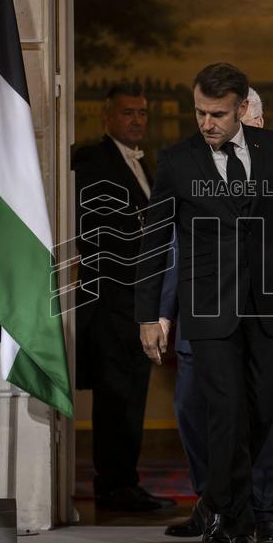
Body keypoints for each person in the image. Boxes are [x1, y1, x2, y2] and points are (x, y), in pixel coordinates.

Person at [135, 63, 273, 543]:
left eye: (218, 113)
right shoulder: (176, 161)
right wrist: (150, 313)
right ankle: (238, 529)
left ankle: (213, 498)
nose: (207, 123)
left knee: (264, 406)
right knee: (227, 414)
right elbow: (153, 243)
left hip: (267, 306)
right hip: (208, 310)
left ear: (240, 109)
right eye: (200, 112)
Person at [72, 82, 175, 512]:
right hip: (110, 298)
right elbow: (91, 225)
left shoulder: (144, 164)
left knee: (132, 396)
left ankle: (122, 484)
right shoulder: (90, 159)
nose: (137, 120)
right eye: (128, 112)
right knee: (115, 399)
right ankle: (114, 488)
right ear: (107, 117)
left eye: (143, 113)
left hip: (138, 301)